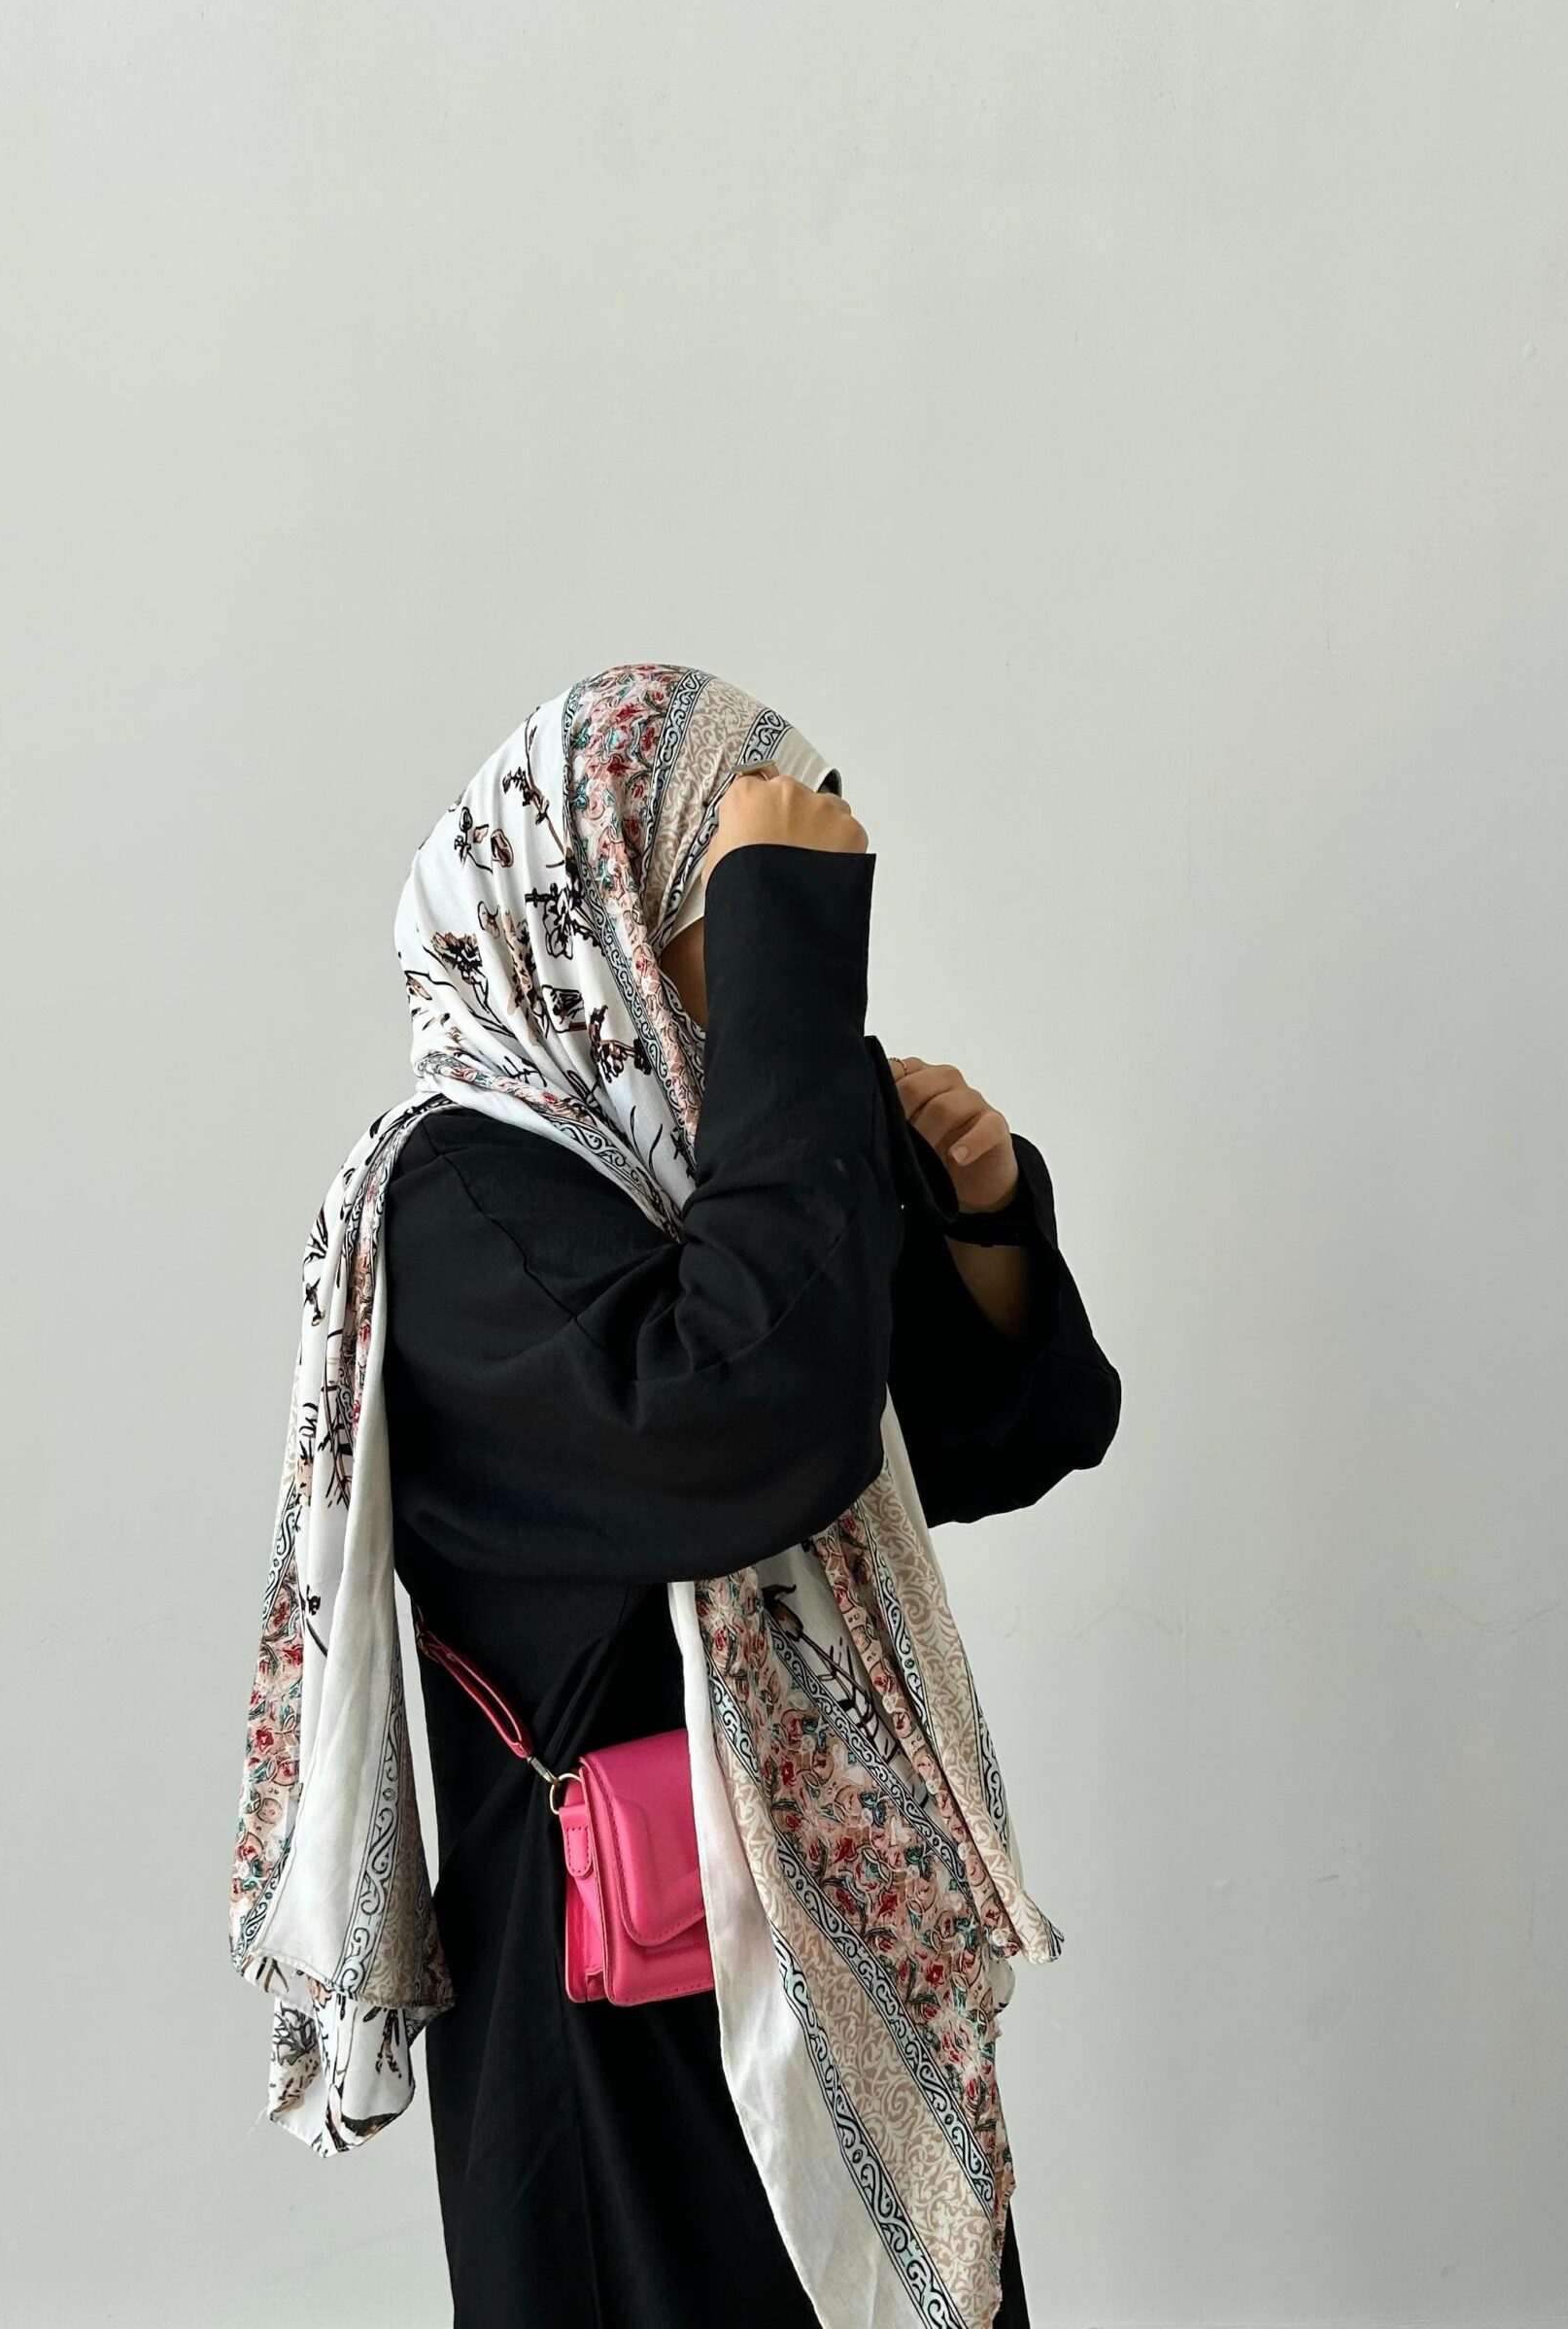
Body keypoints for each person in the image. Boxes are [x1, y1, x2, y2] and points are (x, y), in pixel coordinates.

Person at [229, 665, 1121, 2329]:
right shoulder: (452, 1201)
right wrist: (796, 982)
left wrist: (982, 1211)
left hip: (822, 1954)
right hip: (617, 2015)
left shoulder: (727, 1161)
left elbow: (983, 1438)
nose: (772, 957)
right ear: (606, 910)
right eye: (733, 894)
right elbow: (745, 1424)